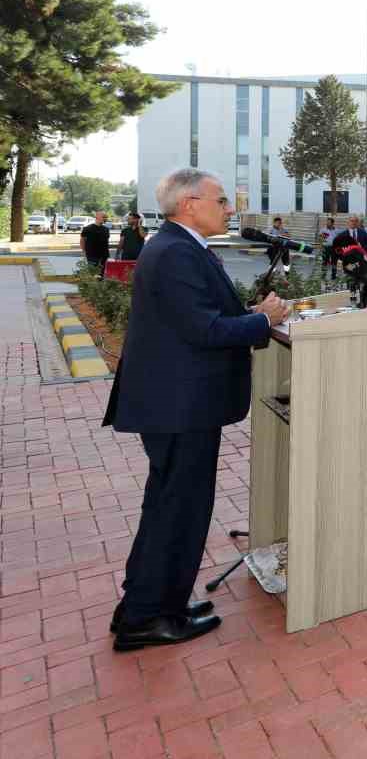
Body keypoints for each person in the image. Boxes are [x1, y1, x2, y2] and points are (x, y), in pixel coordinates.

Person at [103, 168, 289, 651]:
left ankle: (152, 604)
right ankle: (146, 617)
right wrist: (261, 321)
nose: (229, 209)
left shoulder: (178, 248)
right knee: (177, 511)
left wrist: (250, 314)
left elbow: (202, 318)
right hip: (179, 407)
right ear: (189, 204)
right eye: (221, 200)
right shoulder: (175, 254)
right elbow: (205, 332)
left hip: (177, 403)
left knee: (169, 507)